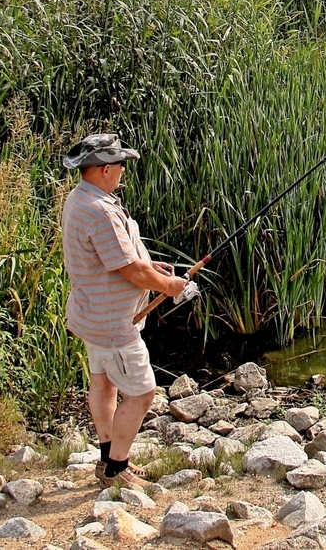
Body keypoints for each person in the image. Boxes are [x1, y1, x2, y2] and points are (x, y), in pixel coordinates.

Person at [61, 133, 188, 488]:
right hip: (114, 324)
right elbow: (130, 270)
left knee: (103, 383)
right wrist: (169, 286)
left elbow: (119, 257)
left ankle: (107, 457)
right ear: (104, 169)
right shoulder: (100, 211)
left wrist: (151, 265)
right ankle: (117, 469)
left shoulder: (81, 198)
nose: (123, 171)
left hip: (91, 315)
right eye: (120, 165)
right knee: (142, 392)